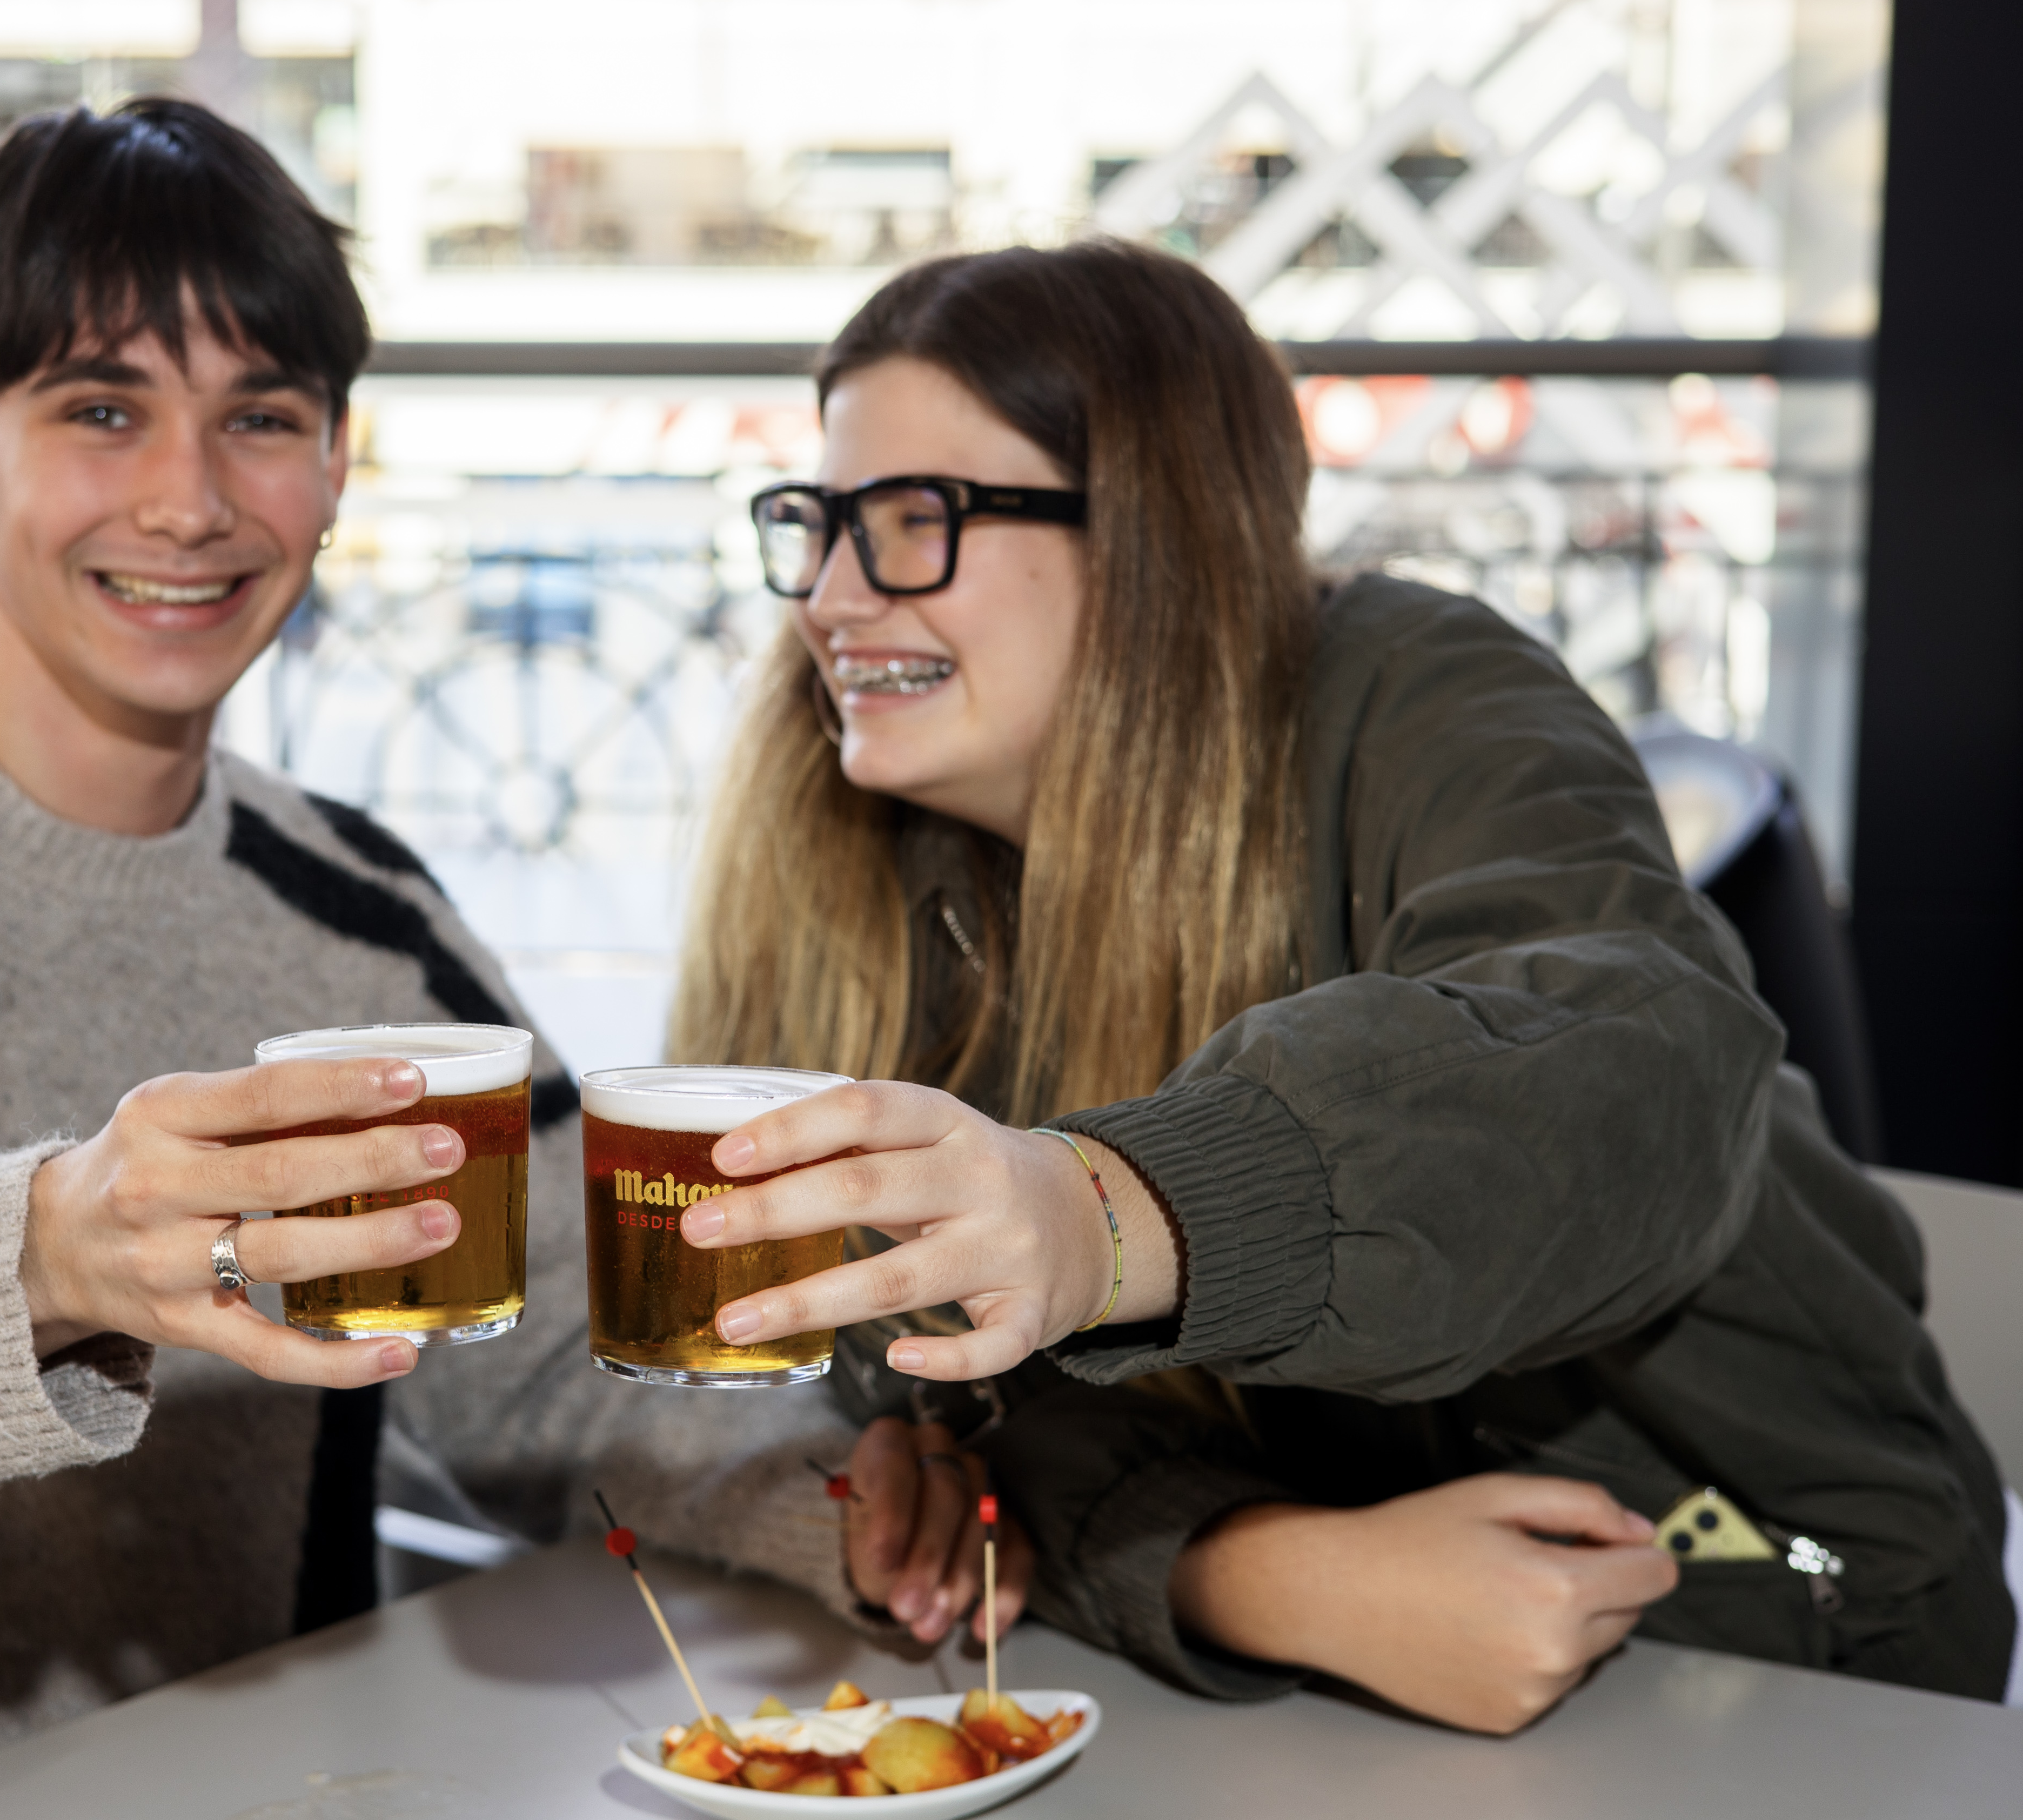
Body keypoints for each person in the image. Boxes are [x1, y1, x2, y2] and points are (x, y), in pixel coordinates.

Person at [0, 99, 856, 1820]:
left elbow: (546, 1360)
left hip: (254, 1784)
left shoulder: (367, 917)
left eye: (258, 419)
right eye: (102, 411)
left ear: (335, 468)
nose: (188, 503)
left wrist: (833, 1510)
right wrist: (45, 1260)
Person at [659, 239, 2019, 1729]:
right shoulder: (879, 888)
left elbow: (1630, 1067)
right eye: (817, 522)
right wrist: (1251, 1571)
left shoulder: (1419, 695)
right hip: (1320, 1718)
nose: (832, 600)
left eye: (915, 520)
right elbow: (992, 1431)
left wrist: (1104, 1209)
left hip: (1782, 1650)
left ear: (1153, 536)